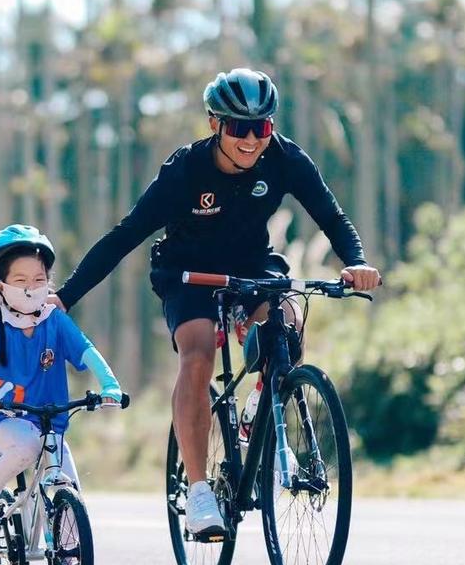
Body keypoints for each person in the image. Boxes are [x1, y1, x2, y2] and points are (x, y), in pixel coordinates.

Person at [52, 67, 381, 538]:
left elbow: (332, 216)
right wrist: (67, 295)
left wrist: (356, 262)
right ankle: (201, 492)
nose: (251, 139)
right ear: (214, 123)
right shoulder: (185, 171)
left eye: (261, 127)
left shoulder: (286, 159)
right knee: (200, 352)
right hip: (187, 272)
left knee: (286, 326)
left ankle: (257, 410)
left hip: (251, 264)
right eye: (239, 128)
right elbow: (125, 236)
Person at [0, 225, 123, 531]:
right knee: (26, 446)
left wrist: (110, 384)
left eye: (39, 280)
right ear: (1, 287)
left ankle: (71, 563)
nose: (31, 287)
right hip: (5, 418)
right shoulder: (0, 326)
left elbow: (86, 349)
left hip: (50, 422)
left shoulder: (55, 320)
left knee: (71, 489)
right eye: (21, 280)